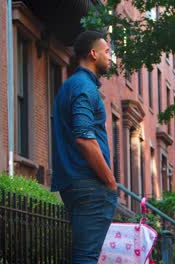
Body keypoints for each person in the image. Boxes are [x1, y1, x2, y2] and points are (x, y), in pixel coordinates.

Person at [51, 30, 118, 264]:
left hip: (73, 183)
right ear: (93, 54)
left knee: (83, 255)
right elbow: (84, 137)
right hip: (90, 184)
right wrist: (110, 181)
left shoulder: (69, 86)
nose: (111, 57)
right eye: (107, 51)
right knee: (86, 258)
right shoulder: (84, 87)